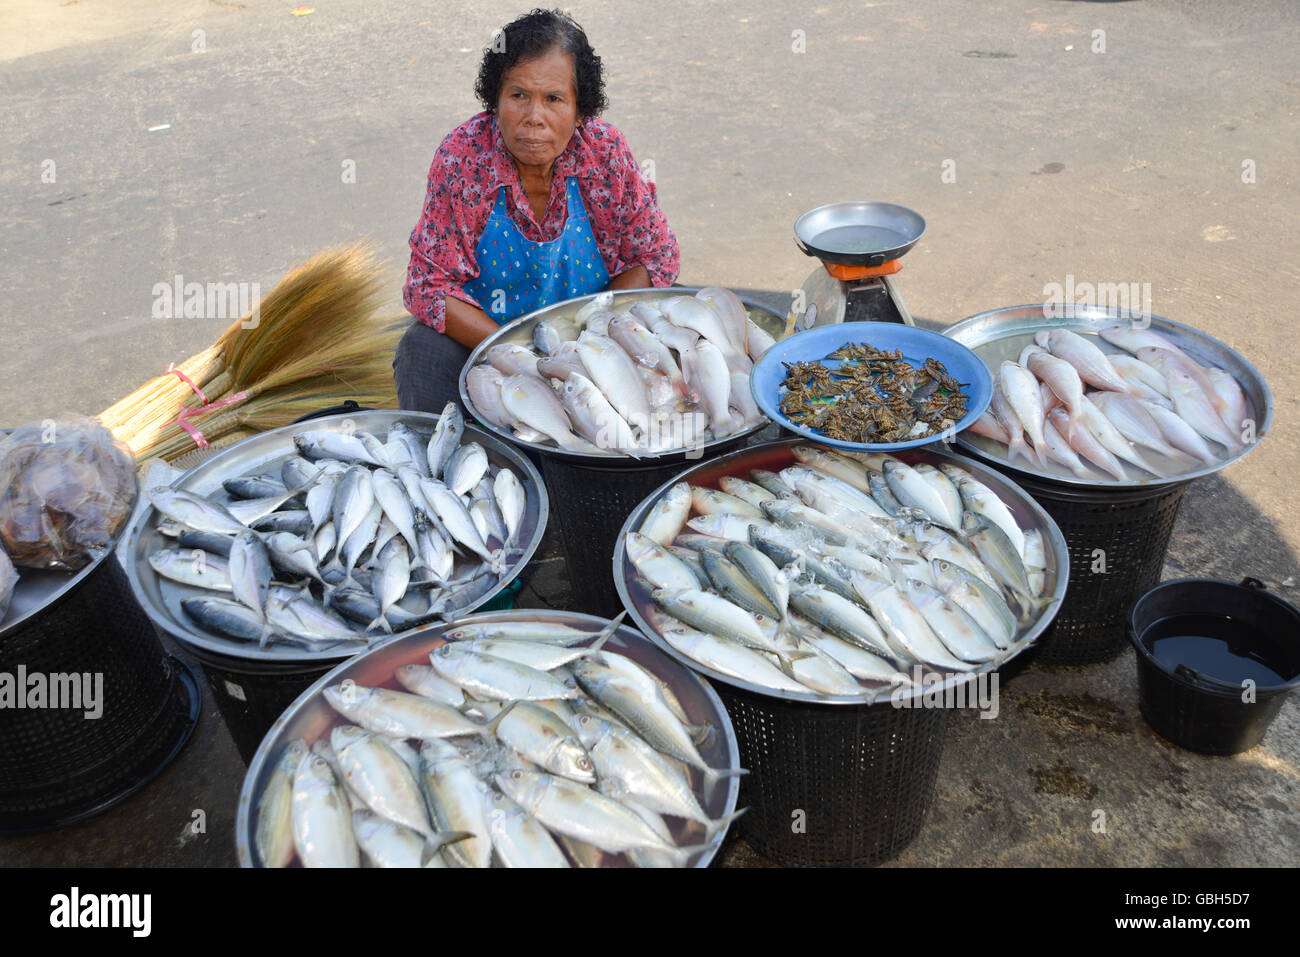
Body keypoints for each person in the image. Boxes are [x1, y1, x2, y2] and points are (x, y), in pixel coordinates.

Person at [395, 8, 680, 413]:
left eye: (554, 100)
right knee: (420, 349)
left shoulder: (603, 152)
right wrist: (520, 360)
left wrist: (588, 345)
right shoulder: (464, 158)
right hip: (488, 338)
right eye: (518, 96)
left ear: (580, 110)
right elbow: (429, 285)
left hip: (588, 336)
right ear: (495, 99)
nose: (534, 118)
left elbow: (653, 256)